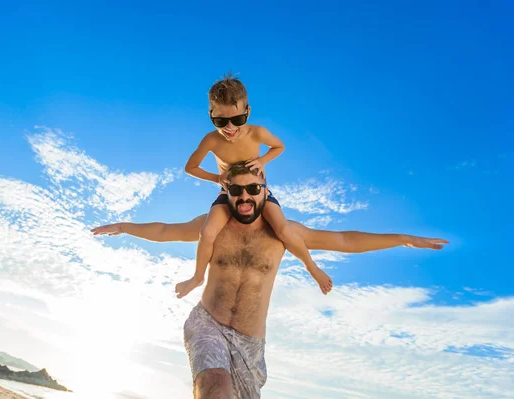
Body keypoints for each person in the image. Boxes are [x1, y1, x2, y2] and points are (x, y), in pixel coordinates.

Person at [91, 163, 448, 398]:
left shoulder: (285, 233)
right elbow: (166, 230)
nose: (244, 198)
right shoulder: (213, 224)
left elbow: (344, 240)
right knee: (214, 387)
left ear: (265, 191)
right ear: (227, 193)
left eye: (252, 190)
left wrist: (402, 238)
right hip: (207, 324)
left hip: (250, 344)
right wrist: (124, 227)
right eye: (236, 192)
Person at [177, 73, 331, 300]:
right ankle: (198, 276)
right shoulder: (211, 140)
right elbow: (190, 167)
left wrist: (261, 161)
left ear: (247, 112)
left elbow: (278, 147)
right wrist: (217, 179)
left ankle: (311, 266)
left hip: (258, 193)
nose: (229, 128)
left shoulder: (257, 133)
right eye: (220, 122)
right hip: (229, 192)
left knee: (283, 230)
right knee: (207, 231)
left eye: (237, 120)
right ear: (211, 115)